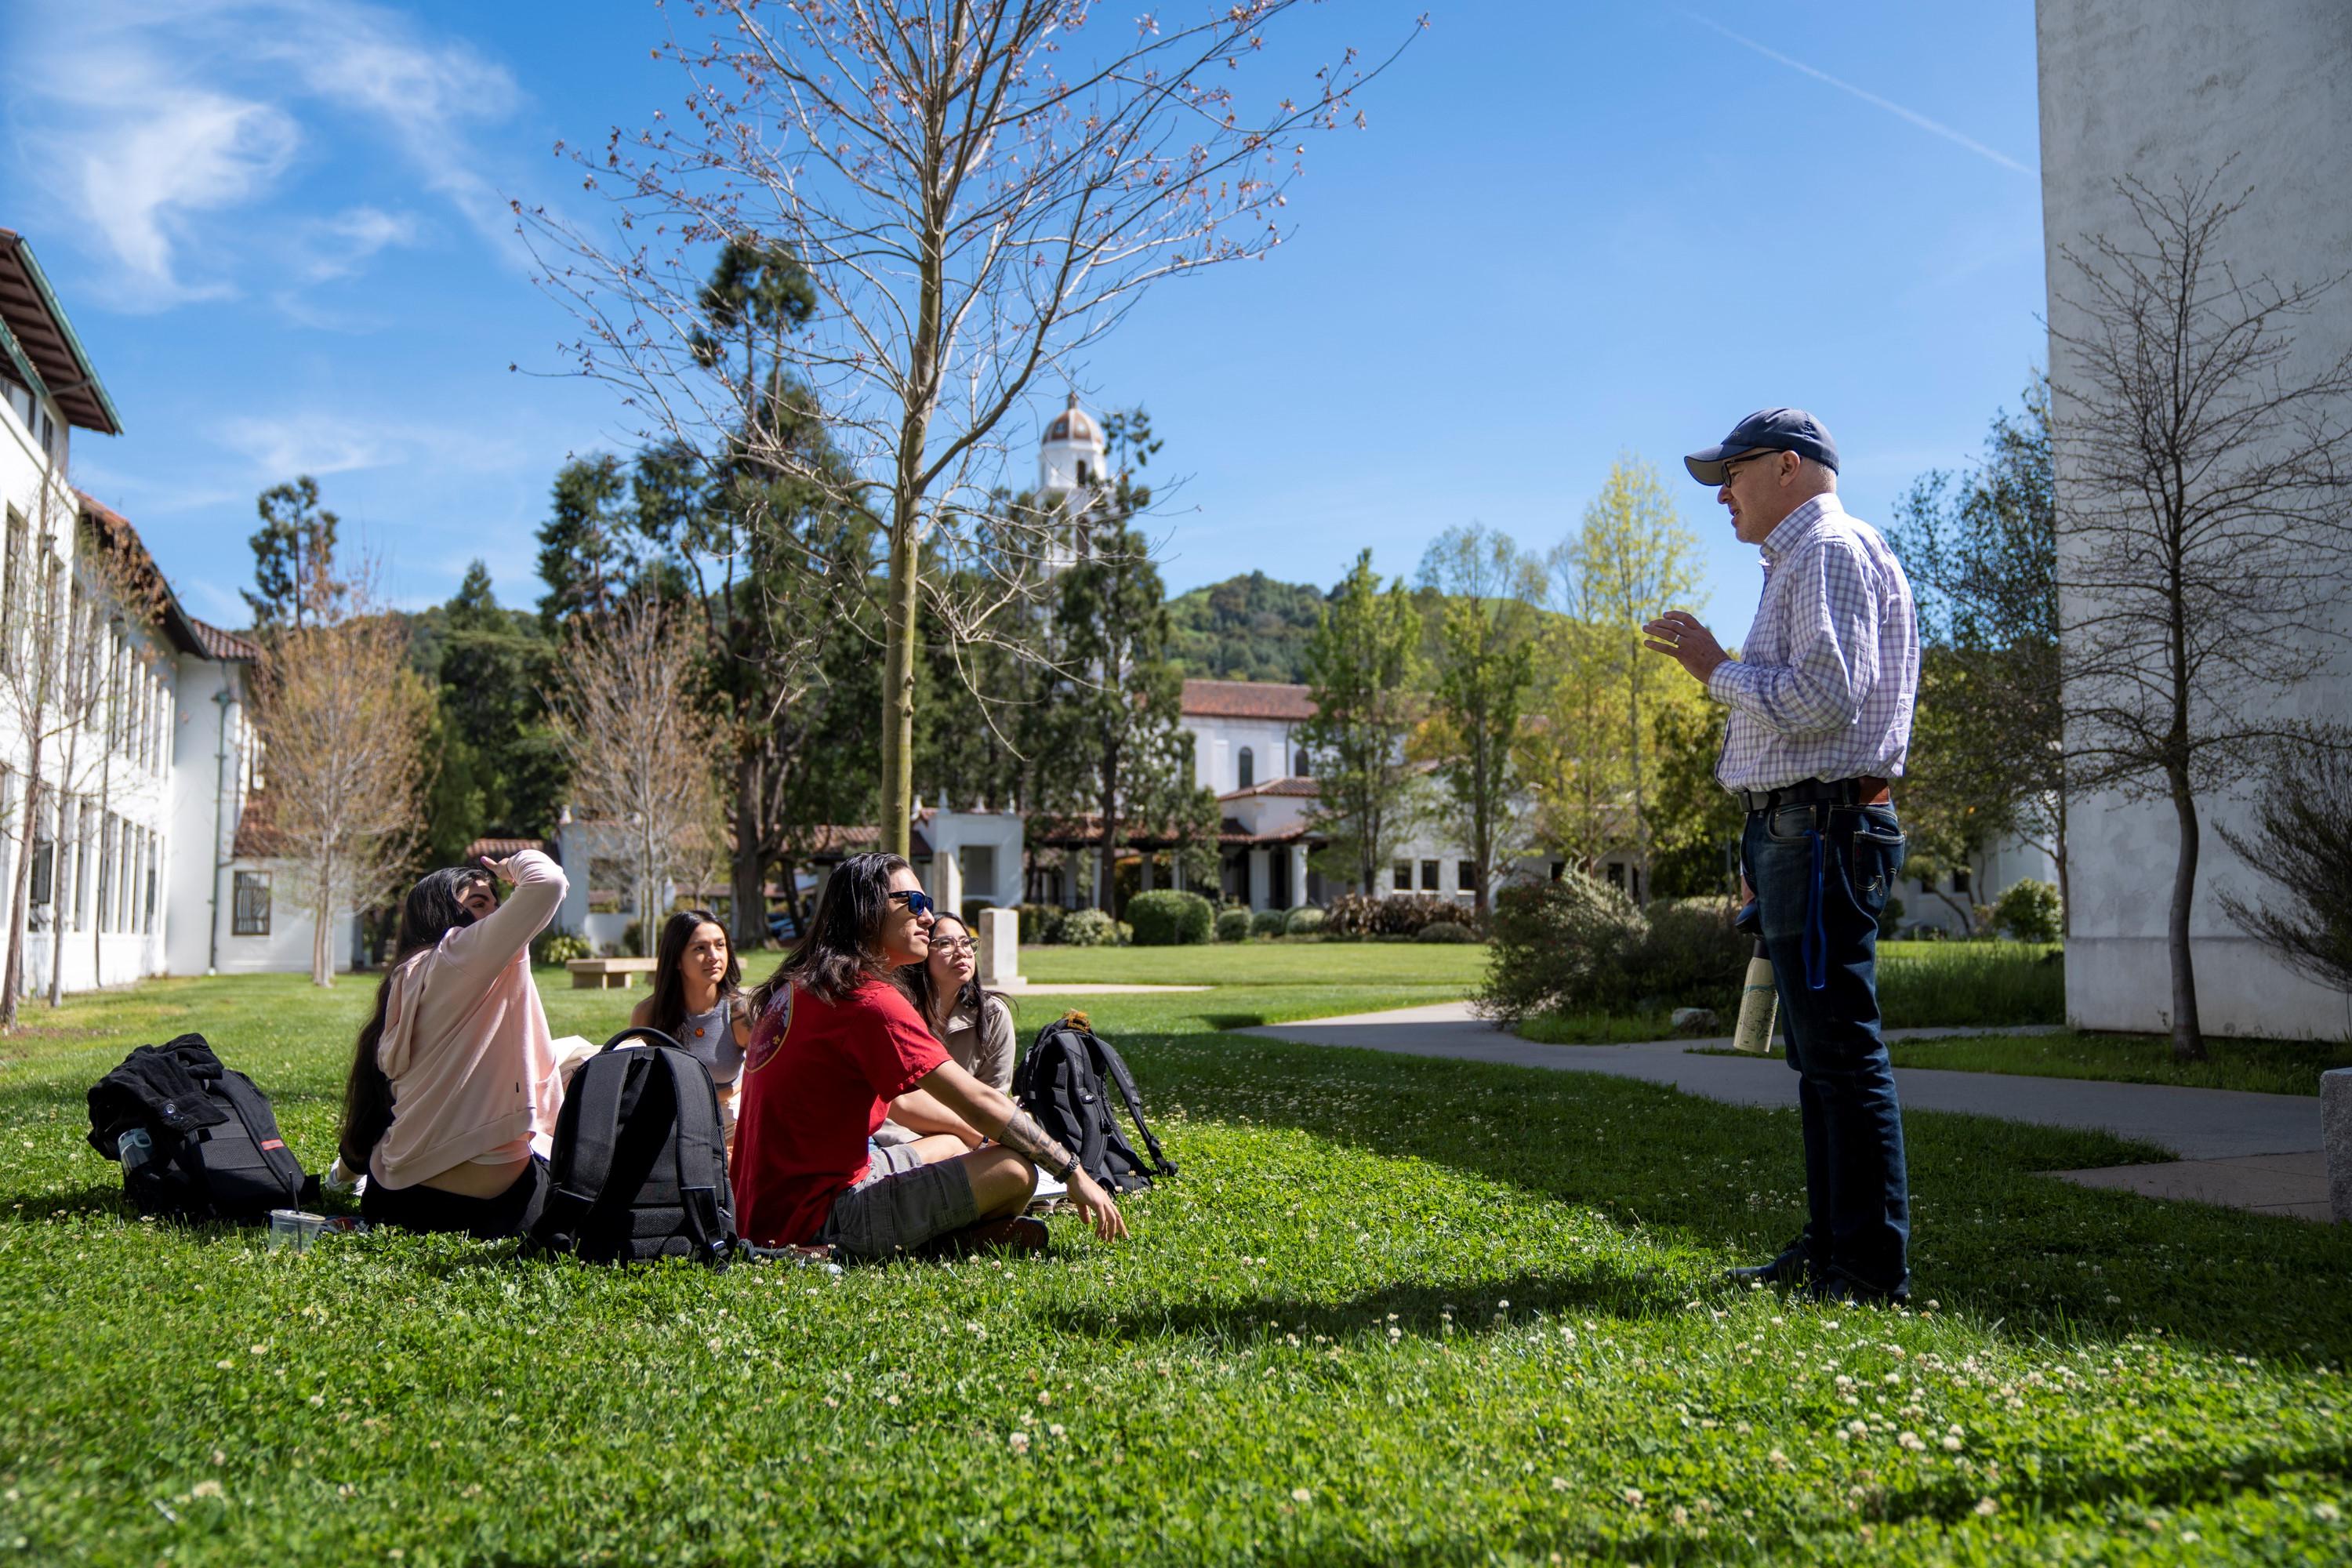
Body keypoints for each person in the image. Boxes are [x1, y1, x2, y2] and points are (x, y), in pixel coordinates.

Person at [1643, 408, 1918, 1305]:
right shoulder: (1805, 558)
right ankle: (1834, 1249)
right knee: (1821, 1058)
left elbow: (1825, 699)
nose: (1722, 493)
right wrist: (1759, 829)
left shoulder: (1828, 550)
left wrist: (1714, 668)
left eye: (1733, 472)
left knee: (1840, 1053)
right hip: (1801, 828)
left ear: (1789, 467)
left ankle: (1867, 1271)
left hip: (1824, 828)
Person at [731, 851, 1127, 1259]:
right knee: (1013, 1170)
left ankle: (945, 1240)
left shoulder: (804, 988)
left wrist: (977, 1135)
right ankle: (914, 1249)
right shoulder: (868, 1001)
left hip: (764, 1210)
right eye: (915, 904)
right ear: (867, 911)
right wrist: (1072, 1170)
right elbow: (978, 1100)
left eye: (929, 905)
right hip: (813, 1220)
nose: (927, 918)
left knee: (953, 1143)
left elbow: (901, 1100)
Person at [336, 850, 569, 1238]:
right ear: (441, 915)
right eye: (480, 904)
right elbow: (548, 883)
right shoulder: (461, 952)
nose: (497, 915)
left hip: (395, 1200)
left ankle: (341, 1175)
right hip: (494, 1209)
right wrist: (507, 867)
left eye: (498, 903)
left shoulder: (407, 975)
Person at [870, 911, 1016, 1148]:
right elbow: (892, 1104)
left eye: (966, 942)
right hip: (897, 1135)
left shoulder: (992, 1015)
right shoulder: (894, 1010)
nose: (962, 952)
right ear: (921, 953)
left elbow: (993, 1097)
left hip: (968, 1136)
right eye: (946, 944)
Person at [630, 909, 750, 1148]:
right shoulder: (648, 1014)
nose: (714, 956)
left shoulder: (740, 1012)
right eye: (700, 948)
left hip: (725, 1125)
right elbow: (637, 1082)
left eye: (720, 945)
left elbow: (764, 1079)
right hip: (667, 1126)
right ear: (676, 959)